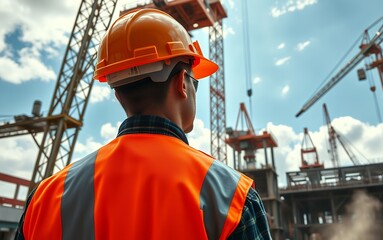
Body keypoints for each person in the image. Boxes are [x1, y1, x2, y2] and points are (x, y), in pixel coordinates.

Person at [15, 8, 271, 240]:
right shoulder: (231, 197)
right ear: (182, 83)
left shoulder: (43, 198)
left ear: (118, 94)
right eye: (195, 82)